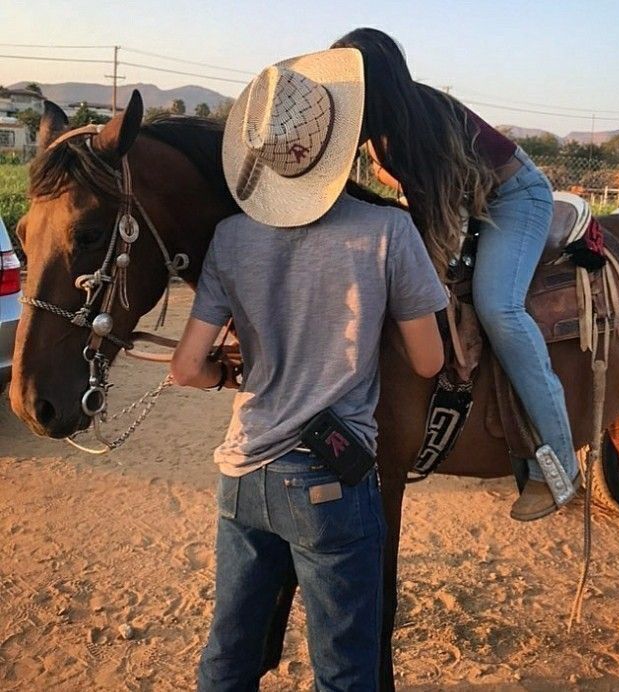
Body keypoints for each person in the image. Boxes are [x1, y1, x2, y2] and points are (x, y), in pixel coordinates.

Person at [170, 48, 448, 691]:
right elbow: (430, 359)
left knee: (228, 658)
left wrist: (227, 377)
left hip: (243, 474)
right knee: (346, 673)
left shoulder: (232, 238)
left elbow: (187, 368)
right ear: (339, 144)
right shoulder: (388, 232)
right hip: (331, 483)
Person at [331, 28, 579, 521]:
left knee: (498, 306)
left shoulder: (416, 126)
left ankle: (560, 461)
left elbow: (438, 221)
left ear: (373, 85)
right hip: (467, 198)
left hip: (514, 198)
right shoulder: (376, 129)